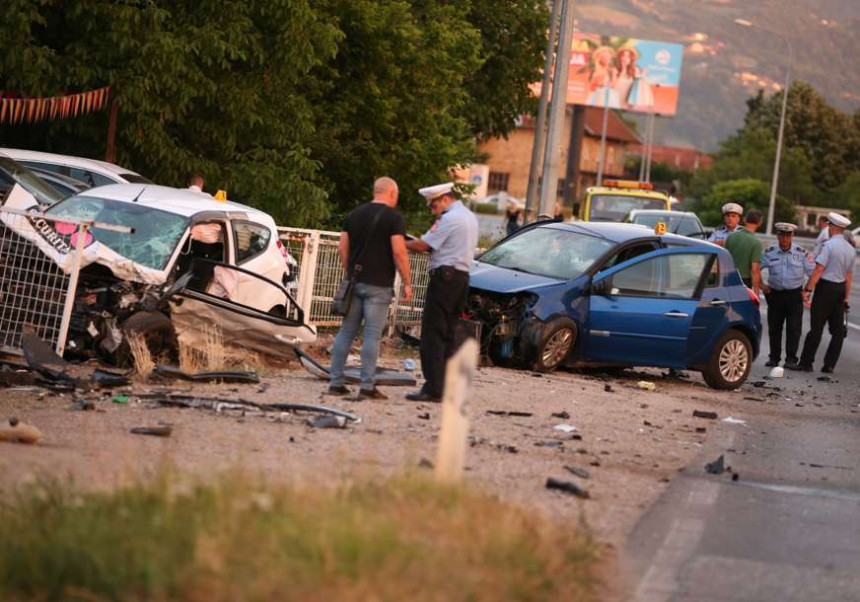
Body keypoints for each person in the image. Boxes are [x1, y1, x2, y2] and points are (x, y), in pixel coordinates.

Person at [327, 177, 412, 400]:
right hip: (379, 285)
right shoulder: (394, 218)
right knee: (371, 336)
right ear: (392, 194)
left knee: (346, 331)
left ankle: (335, 383)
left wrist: (350, 273)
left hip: (355, 281)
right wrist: (407, 281)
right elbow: (399, 252)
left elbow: (342, 247)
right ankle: (367, 386)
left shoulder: (354, 214)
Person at [405, 182, 479, 402]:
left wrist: (400, 242)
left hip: (445, 279)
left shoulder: (449, 218)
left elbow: (424, 246)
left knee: (432, 334)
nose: (432, 209)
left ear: (444, 199)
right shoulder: (469, 217)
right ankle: (447, 385)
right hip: (461, 278)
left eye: (433, 204)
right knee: (448, 334)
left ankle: (433, 388)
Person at [789, 212, 855, 373]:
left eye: (829, 225)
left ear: (832, 227)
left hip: (825, 288)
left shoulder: (829, 246)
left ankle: (806, 363)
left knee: (816, 328)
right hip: (840, 289)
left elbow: (819, 270)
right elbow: (849, 276)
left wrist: (808, 290)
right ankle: (829, 365)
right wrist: (846, 298)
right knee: (838, 331)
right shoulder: (850, 249)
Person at [760, 223, 815, 367]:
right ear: (777, 236)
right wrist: (761, 285)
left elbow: (814, 273)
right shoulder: (769, 252)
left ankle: (791, 359)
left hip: (794, 296)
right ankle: (774, 358)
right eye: (782, 235)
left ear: (792, 236)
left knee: (794, 328)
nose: (784, 238)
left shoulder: (802, 253)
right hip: (775, 295)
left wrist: (807, 291)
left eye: (787, 235)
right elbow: (755, 268)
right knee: (774, 328)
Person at [724, 208, 763, 294]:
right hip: (744, 282)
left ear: (744, 219)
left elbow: (723, 259)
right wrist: (756, 293)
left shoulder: (731, 236)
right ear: (760, 223)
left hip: (728, 278)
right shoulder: (756, 243)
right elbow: (754, 270)